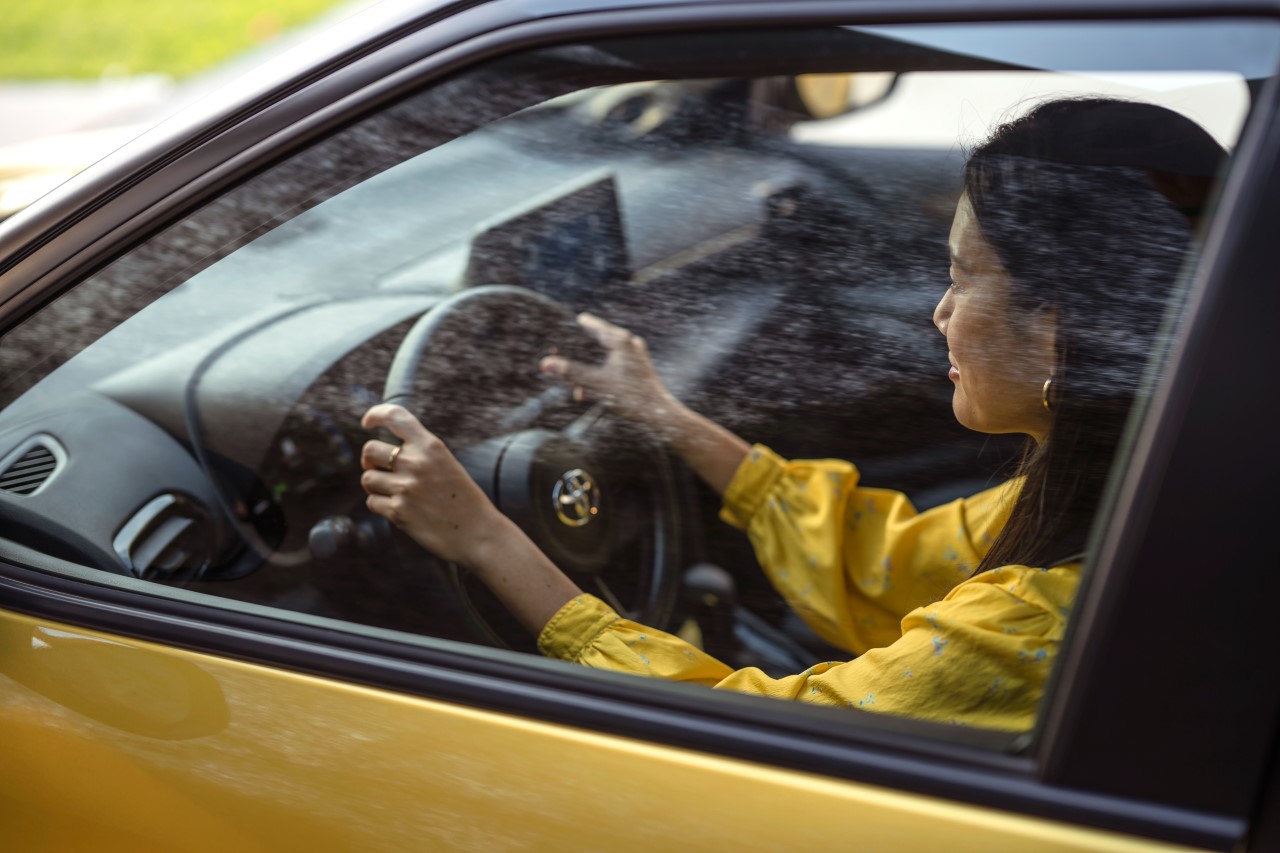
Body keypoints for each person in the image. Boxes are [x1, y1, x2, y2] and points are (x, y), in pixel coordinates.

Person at [358, 98, 1226, 731]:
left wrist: (489, 540)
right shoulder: (1144, 479)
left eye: (963, 278)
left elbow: (757, 736)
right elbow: (885, 561)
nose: (939, 311)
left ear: (1058, 329)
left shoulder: (1033, 621)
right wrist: (666, 416)